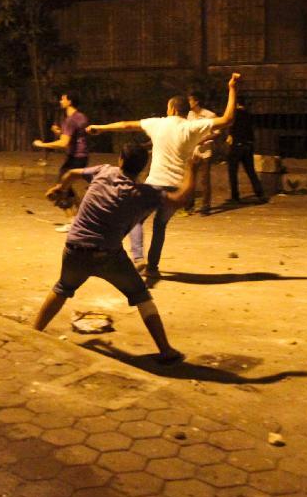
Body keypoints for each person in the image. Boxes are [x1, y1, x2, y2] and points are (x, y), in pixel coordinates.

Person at [33, 143, 202, 363]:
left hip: (75, 248)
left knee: (63, 288)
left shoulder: (104, 171)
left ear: (120, 160)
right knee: (141, 296)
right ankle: (166, 350)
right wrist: (193, 168)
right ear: (144, 168)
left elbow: (72, 173)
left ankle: (32, 332)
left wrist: (61, 188)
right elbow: (181, 199)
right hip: (108, 255)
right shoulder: (147, 194)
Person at [87, 73, 241, 276]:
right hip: (177, 187)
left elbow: (126, 125)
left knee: (135, 220)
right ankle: (152, 268)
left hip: (154, 185)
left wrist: (100, 128)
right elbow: (228, 119)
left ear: (172, 109)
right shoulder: (191, 127)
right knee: (160, 227)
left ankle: (139, 258)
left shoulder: (158, 123)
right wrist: (232, 88)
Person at [33, 92, 89, 231]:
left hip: (74, 157)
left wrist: (42, 145)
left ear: (69, 101)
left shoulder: (69, 120)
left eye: (63, 99)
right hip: (82, 156)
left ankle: (72, 222)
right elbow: (74, 136)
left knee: (60, 189)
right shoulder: (81, 117)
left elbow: (64, 143)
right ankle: (81, 217)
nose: (60, 101)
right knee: (67, 186)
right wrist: (60, 132)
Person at [226, 100, 266, 203]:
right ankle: (260, 194)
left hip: (237, 145)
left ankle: (235, 196)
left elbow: (231, 128)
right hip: (248, 145)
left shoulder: (234, 115)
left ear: (237, 104)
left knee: (233, 172)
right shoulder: (249, 116)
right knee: (251, 171)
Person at [185, 90, 217, 215]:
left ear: (196, 101)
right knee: (190, 179)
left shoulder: (209, 115)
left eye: (190, 100)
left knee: (205, 180)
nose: (189, 103)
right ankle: (189, 205)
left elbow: (217, 133)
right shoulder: (190, 114)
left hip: (205, 151)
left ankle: (206, 206)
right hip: (193, 151)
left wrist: (204, 139)